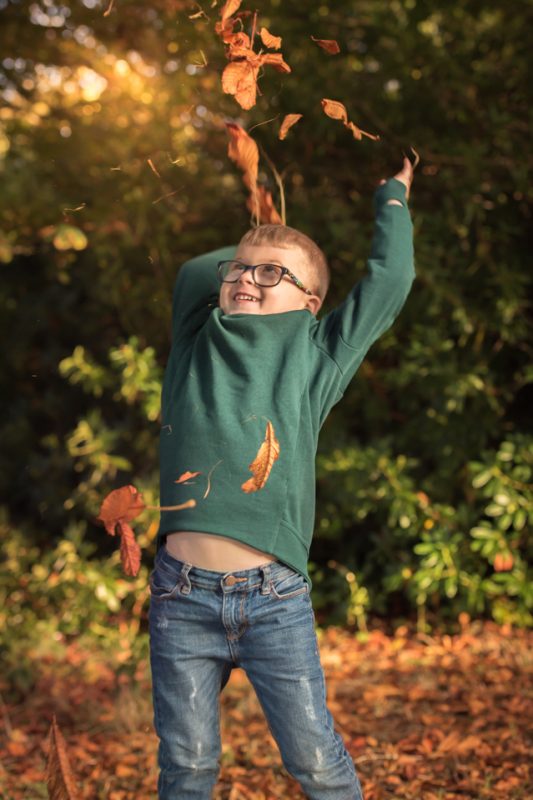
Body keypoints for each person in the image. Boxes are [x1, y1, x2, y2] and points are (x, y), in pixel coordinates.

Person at [148, 156, 416, 799]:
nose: (248, 278)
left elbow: (391, 280)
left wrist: (393, 198)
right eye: (239, 269)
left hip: (274, 600)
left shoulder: (316, 355)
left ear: (310, 302)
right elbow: (194, 273)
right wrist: (262, 232)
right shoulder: (196, 337)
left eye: (272, 274)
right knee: (187, 765)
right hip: (181, 597)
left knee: (317, 762)